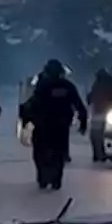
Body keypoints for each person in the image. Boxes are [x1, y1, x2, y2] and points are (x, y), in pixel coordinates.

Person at [20, 59, 87, 190]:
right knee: (59, 153)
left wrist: (26, 120)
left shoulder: (42, 86)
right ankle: (55, 178)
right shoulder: (67, 86)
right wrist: (83, 121)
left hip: (44, 125)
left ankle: (43, 177)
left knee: (40, 152)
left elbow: (32, 104)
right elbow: (79, 105)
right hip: (60, 126)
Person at [86, 68, 112, 163]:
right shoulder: (111, 84)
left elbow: (90, 97)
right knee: (103, 135)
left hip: (99, 113)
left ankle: (98, 154)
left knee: (95, 135)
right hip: (108, 113)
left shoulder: (97, 84)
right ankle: (102, 154)